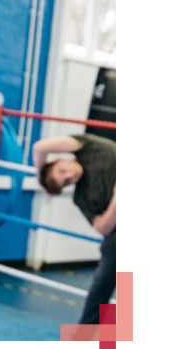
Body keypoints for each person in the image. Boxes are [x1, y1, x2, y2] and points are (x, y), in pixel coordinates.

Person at [33, 134, 115, 325]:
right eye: (66, 182)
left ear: (61, 158)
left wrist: (41, 177)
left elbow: (39, 147)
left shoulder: (87, 148)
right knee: (100, 288)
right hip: (119, 234)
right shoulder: (81, 197)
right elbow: (103, 227)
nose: (69, 176)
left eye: (62, 171)